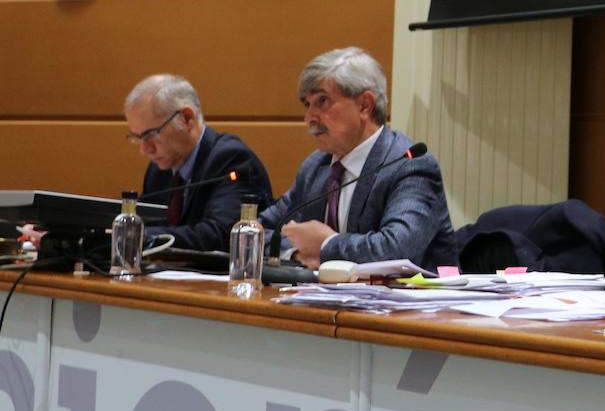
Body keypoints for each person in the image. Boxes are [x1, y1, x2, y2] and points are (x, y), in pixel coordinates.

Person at [259, 47, 459, 270]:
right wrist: (297, 253)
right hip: (328, 302)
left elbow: (395, 249)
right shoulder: (316, 167)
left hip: (415, 303)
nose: (309, 118)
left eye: (322, 101)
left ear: (365, 105)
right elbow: (258, 231)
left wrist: (327, 245)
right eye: (307, 105)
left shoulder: (409, 165)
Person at [124, 74, 273, 252]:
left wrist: (141, 236)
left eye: (150, 135)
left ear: (187, 118)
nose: (144, 149)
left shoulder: (231, 159)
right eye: (137, 138)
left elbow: (220, 235)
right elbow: (146, 222)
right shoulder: (159, 170)